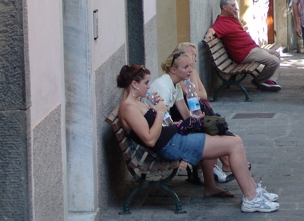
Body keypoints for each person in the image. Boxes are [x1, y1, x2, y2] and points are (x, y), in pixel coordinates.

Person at [117, 64, 279, 213]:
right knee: (234, 143)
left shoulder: (136, 102)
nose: (149, 86)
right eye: (146, 83)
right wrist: (159, 112)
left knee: (226, 137)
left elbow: (158, 126)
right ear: (134, 84)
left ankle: (252, 190)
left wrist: (169, 118)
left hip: (174, 139)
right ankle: (250, 198)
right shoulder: (129, 107)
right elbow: (150, 140)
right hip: (172, 145)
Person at [177, 41, 233, 184]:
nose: (193, 59)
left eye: (195, 56)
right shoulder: (178, 77)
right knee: (210, 127)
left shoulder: (192, 72)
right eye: (190, 55)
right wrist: (193, 85)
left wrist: (192, 75)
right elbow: (191, 93)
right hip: (184, 115)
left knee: (214, 124)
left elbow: (203, 95)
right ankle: (223, 163)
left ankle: (221, 165)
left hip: (198, 111)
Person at [205, 0, 281, 92]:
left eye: (235, 5)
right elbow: (213, 29)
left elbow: (240, 31)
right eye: (233, 6)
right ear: (224, 7)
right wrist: (209, 33)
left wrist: (237, 19)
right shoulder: (221, 22)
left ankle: (270, 80)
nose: (236, 8)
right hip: (244, 53)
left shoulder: (232, 18)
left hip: (252, 48)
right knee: (274, 61)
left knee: (276, 54)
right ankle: (259, 81)